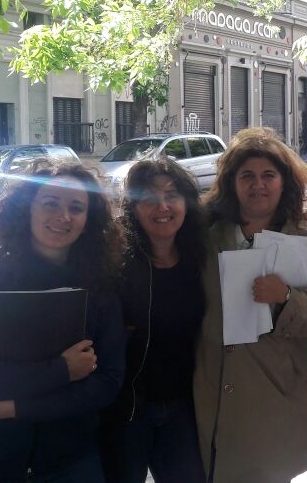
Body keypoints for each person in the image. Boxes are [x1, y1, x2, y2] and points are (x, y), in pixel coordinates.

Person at [0, 160, 126, 482]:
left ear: (88, 220)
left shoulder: (100, 290)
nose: (63, 216)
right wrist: (62, 370)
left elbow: (106, 384)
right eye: (50, 203)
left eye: (76, 208)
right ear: (26, 209)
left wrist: (12, 407)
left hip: (70, 460)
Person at [195, 127, 307, 483]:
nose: (257, 185)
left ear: (284, 183)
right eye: (247, 175)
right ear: (232, 183)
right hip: (209, 388)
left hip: (272, 394)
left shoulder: (306, 244)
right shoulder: (204, 239)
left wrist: (287, 297)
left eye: (268, 175)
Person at [100, 159, 208, 482]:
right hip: (127, 411)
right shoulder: (115, 263)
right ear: (133, 208)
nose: (162, 206)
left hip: (184, 407)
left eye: (172, 196)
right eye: (149, 198)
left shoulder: (201, 259)